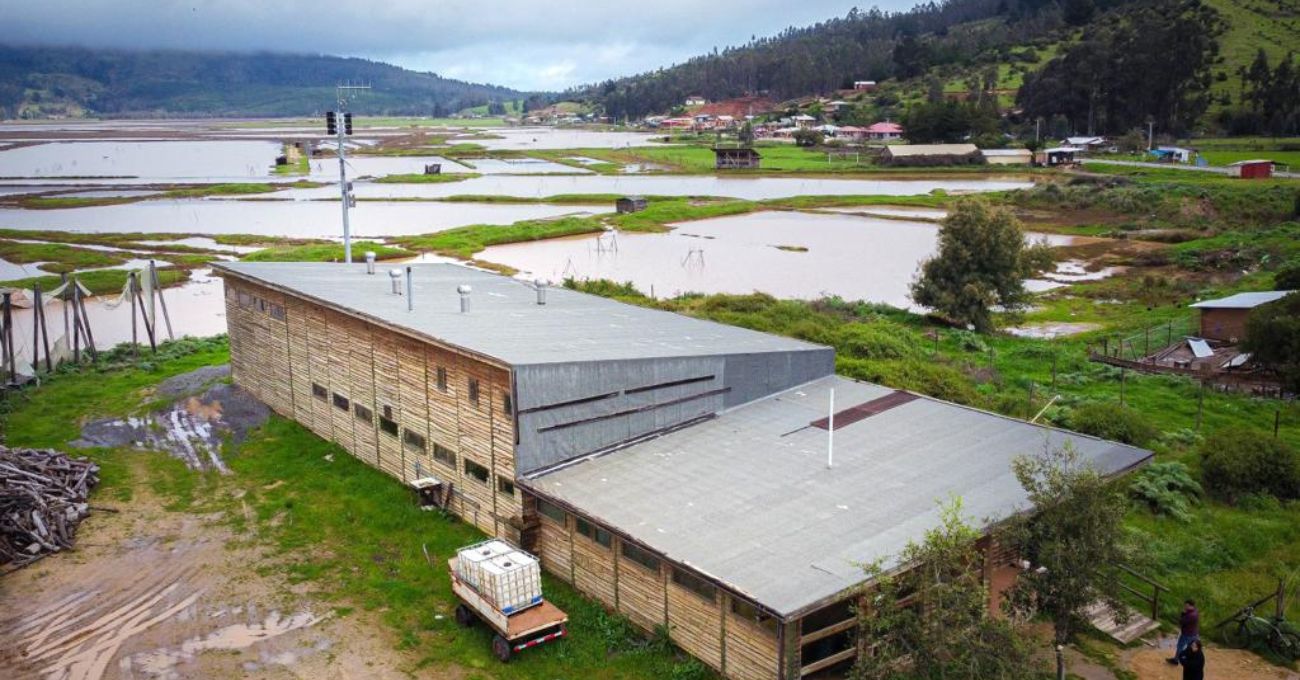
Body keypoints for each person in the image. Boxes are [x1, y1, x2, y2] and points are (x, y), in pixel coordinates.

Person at [1168, 599, 1200, 664]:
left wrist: (1182, 614)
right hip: (1194, 633)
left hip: (1187, 634)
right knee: (1191, 648)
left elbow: (1181, 621)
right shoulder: (1195, 612)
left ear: (1189, 605)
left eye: (1185, 605)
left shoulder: (1190, 615)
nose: (1184, 606)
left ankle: (1176, 660)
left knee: (1180, 646)